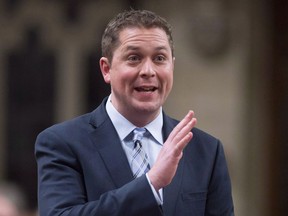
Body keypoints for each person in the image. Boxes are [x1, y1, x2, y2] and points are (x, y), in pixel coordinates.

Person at [35, 9, 234, 216]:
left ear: (172, 66)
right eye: (134, 58)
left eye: (159, 58)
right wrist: (151, 183)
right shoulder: (62, 143)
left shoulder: (206, 151)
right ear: (106, 69)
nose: (148, 70)